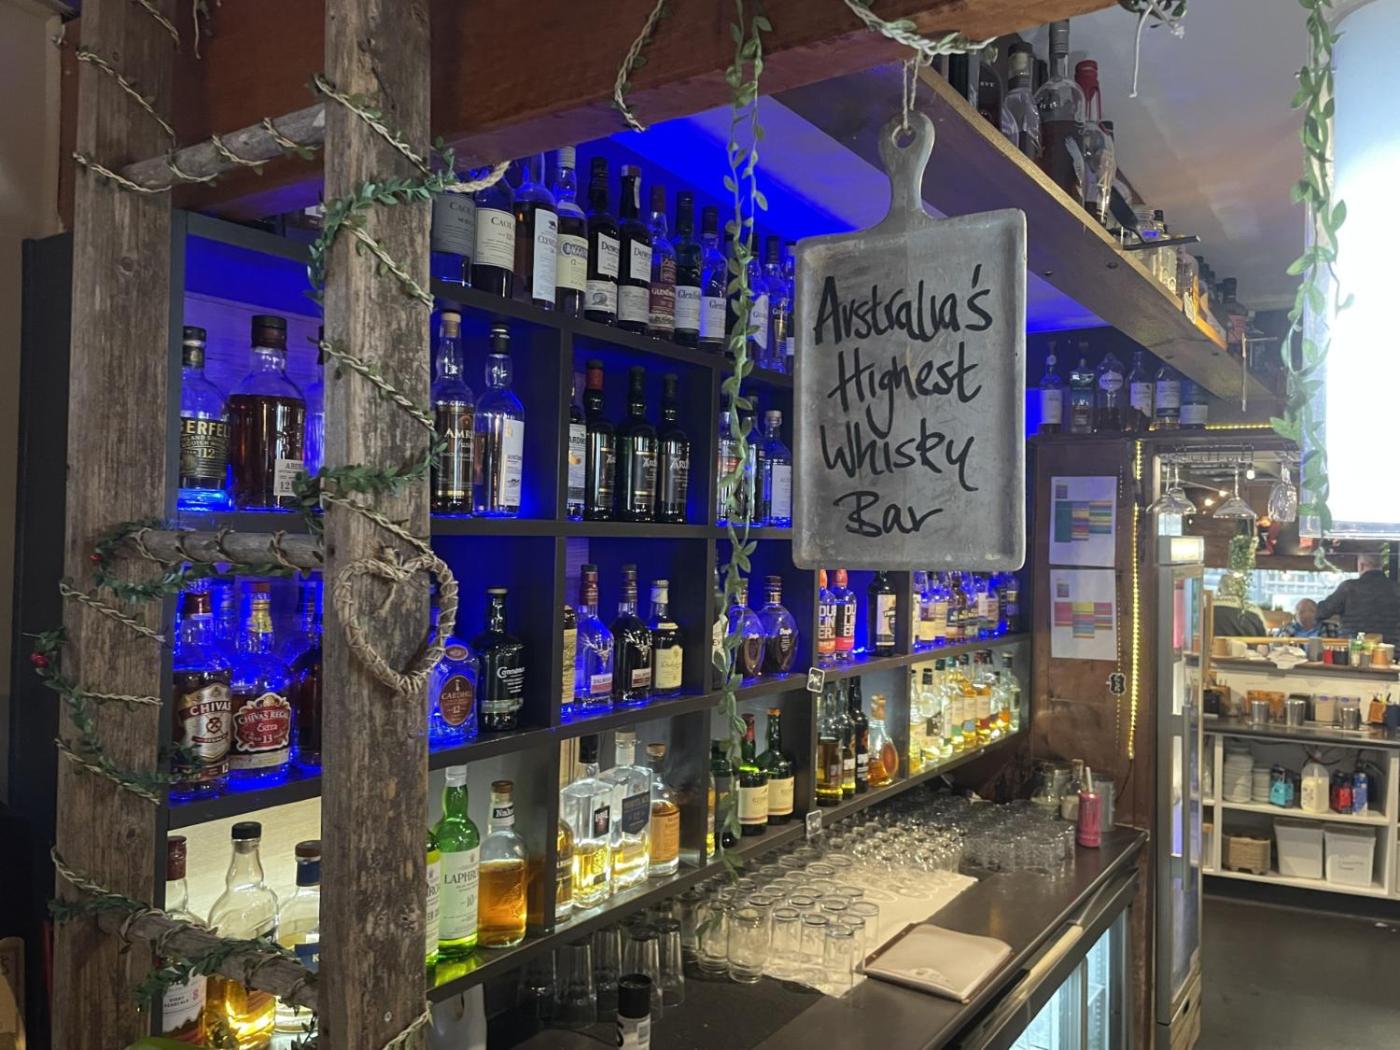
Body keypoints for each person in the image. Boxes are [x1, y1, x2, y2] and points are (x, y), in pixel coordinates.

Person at [1316, 553, 1400, 645]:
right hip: (1392, 649)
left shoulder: (1348, 588)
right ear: (1381, 566)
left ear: (1361, 565)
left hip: (1355, 648)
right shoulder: (1397, 589)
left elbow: (1322, 612)